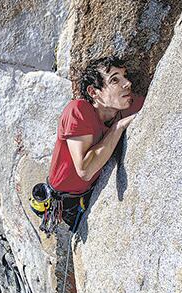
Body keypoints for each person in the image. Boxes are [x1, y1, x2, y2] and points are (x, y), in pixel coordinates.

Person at [48, 56, 145, 229]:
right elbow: (85, 170)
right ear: (93, 92)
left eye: (125, 76)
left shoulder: (128, 104)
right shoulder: (78, 110)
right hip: (66, 202)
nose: (127, 83)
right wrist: (118, 127)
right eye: (115, 79)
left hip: (90, 191)